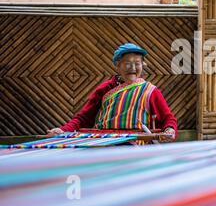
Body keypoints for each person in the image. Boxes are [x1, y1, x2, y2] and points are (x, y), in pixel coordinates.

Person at [47, 43, 177, 142]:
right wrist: (63, 130)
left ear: (143, 66)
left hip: (138, 145)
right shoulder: (105, 89)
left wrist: (170, 130)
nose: (132, 68)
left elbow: (168, 119)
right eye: (127, 63)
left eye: (137, 63)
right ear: (118, 65)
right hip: (107, 143)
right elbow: (84, 117)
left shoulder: (150, 91)